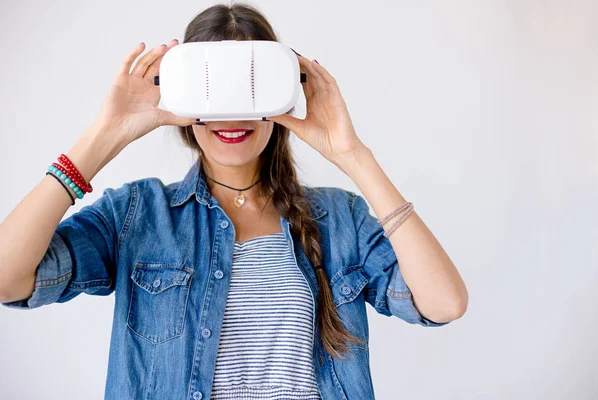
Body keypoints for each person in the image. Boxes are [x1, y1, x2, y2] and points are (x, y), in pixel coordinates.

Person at [0, 3, 468, 399]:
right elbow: (7, 279)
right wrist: (103, 136)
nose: (231, 113)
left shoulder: (339, 218)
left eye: (249, 85)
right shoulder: (137, 216)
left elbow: (444, 303)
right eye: (211, 88)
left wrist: (354, 156)